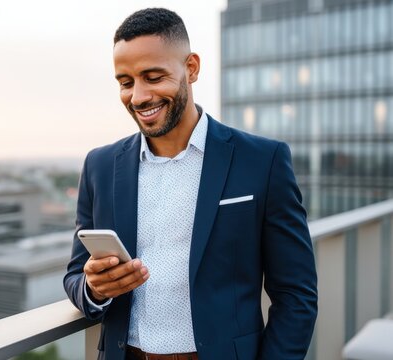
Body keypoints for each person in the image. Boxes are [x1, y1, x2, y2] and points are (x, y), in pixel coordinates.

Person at [63, 7, 317, 360]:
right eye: (125, 82)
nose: (138, 97)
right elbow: (76, 276)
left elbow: (296, 295)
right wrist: (94, 288)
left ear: (191, 68)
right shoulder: (100, 166)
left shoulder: (263, 161)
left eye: (153, 77)